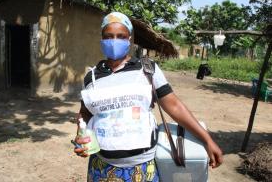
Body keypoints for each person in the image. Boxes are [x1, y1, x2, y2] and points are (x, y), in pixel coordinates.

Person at [74, 12, 223, 181]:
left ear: (129, 39)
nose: (114, 41)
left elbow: (174, 106)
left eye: (121, 36)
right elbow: (85, 113)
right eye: (109, 36)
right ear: (101, 39)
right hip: (101, 168)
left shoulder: (147, 69)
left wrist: (207, 139)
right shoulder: (91, 77)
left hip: (143, 169)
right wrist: (82, 136)